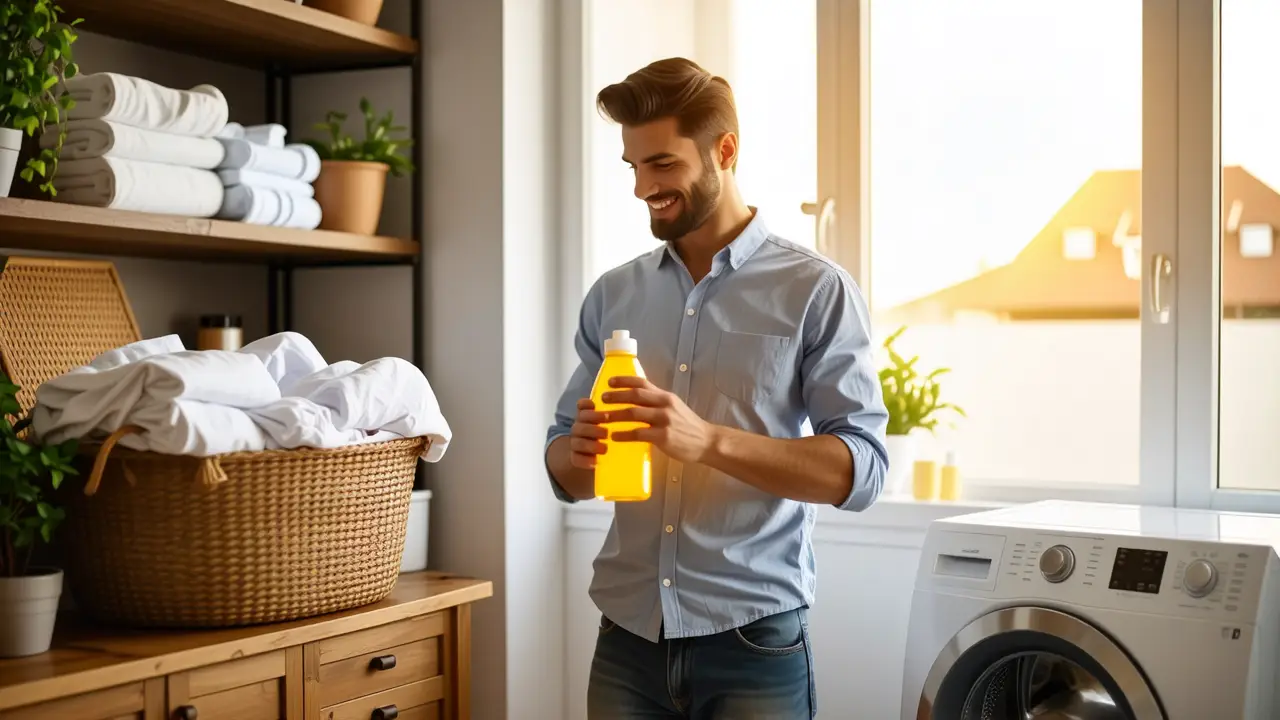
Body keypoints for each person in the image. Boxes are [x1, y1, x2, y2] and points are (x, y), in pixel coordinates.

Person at [544, 57, 889, 719]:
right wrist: (579, 450)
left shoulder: (814, 290)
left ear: (724, 150)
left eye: (664, 164)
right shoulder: (613, 295)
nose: (644, 187)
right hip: (626, 638)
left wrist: (705, 440)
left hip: (753, 642)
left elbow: (864, 471)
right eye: (634, 166)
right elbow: (563, 470)